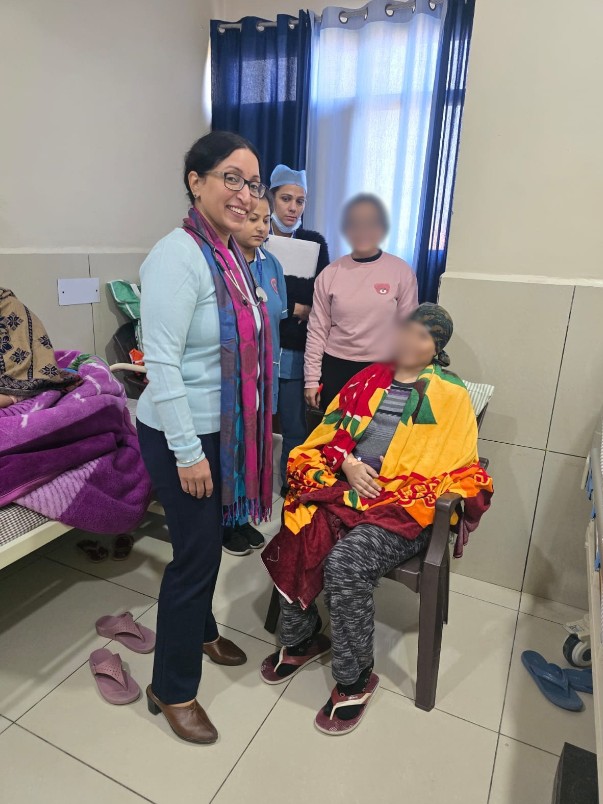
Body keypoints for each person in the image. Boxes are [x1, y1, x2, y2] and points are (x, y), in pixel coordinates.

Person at [260, 304, 493, 735]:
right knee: (298, 527)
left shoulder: (451, 394)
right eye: (408, 329)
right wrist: (347, 464)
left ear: (437, 348)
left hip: (405, 505)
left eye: (424, 336)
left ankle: (355, 679)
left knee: (346, 564)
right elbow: (330, 433)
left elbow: (460, 464)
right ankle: (303, 638)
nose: (411, 340)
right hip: (348, 486)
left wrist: (392, 485)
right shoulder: (368, 377)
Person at [136, 131, 274, 745]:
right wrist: (189, 453)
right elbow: (162, 365)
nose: (245, 194)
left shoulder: (229, 254)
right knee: (195, 559)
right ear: (196, 181)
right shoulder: (177, 256)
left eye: (253, 182)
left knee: (211, 546)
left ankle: (199, 630)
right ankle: (172, 688)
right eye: (231, 178)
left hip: (222, 431)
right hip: (180, 433)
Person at [304, 194, 418, 412]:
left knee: (375, 432)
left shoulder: (401, 271)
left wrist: (405, 380)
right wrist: (311, 380)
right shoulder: (330, 274)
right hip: (336, 368)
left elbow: (409, 329)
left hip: (383, 369)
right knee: (334, 431)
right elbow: (317, 330)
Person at [222, 190, 288, 556]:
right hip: (233, 379)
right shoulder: (221, 265)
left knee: (254, 449)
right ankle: (224, 520)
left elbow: (277, 317)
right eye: (252, 219)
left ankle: (242, 515)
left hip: (265, 375)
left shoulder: (272, 264)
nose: (261, 227)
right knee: (231, 448)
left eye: (265, 220)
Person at [270, 164, 330, 496]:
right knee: (252, 425)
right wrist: (294, 308)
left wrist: (284, 305)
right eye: (286, 199)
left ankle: (289, 487)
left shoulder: (313, 243)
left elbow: (319, 298)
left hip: (296, 350)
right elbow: (252, 297)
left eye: (300, 201)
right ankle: (248, 490)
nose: (293, 208)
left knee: (294, 426)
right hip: (260, 349)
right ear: (271, 198)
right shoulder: (255, 236)